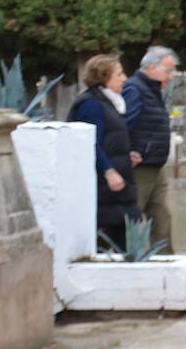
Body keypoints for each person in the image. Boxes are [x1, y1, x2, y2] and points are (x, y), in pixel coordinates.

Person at [67, 55, 141, 248]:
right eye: (119, 74)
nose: (125, 78)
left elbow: (109, 140)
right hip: (103, 187)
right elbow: (90, 142)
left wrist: (126, 155)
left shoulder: (109, 102)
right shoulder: (91, 104)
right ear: (103, 77)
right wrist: (108, 170)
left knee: (122, 236)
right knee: (108, 240)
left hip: (114, 189)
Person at [123, 46, 177, 253]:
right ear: (152, 67)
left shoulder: (154, 91)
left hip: (155, 164)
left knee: (162, 216)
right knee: (133, 216)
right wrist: (127, 151)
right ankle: (129, 258)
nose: (171, 77)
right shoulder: (135, 89)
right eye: (168, 71)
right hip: (139, 166)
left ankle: (164, 260)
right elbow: (124, 123)